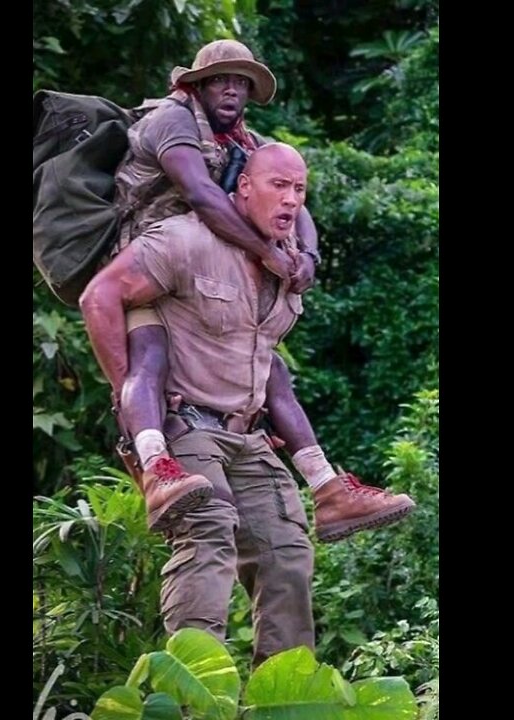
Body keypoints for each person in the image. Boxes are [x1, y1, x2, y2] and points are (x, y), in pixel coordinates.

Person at [83, 143, 413, 664]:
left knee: (287, 554)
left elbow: (267, 363)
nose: (290, 199)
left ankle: (279, 699)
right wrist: (130, 403)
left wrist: (310, 462)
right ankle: (196, 693)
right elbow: (98, 297)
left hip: (248, 435)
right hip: (184, 427)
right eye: (278, 185)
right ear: (242, 188)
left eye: (299, 190)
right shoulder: (185, 239)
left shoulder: (285, 267)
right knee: (207, 536)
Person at [80, 40, 409, 542]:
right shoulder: (172, 121)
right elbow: (202, 194)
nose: (232, 89)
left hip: (197, 271)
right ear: (195, 85)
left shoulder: (238, 140)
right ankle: (155, 464)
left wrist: (309, 257)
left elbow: (292, 199)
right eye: (220, 80)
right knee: (150, 357)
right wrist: (268, 253)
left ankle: (327, 486)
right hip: (146, 266)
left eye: (241, 82)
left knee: (270, 371)